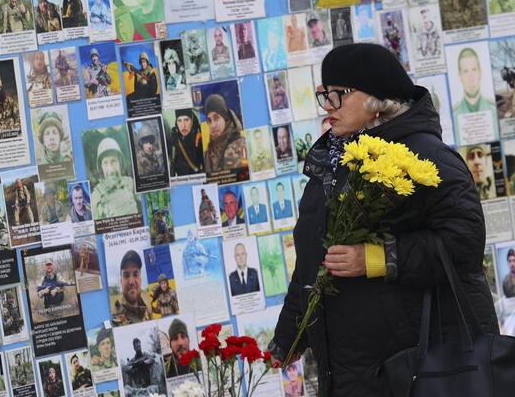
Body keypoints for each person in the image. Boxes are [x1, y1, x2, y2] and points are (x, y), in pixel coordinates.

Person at [269, 43, 498, 396]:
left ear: (376, 98)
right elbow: (314, 259)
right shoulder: (332, 162)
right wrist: (289, 336)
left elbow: (463, 244)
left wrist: (374, 259)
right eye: (323, 96)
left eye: (338, 95)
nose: (328, 107)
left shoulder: (428, 156)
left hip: (419, 367)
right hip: (351, 369)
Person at [452, 47, 498, 140]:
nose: (471, 78)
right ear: (460, 76)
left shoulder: (495, 109)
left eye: (474, 69)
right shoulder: (454, 115)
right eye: (465, 71)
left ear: (480, 72)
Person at [91, 137, 140, 219]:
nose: (110, 170)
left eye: (113, 161)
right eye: (105, 163)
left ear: (120, 163)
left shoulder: (130, 183)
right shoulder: (96, 197)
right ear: (101, 168)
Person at [204, 94, 246, 174]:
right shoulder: (208, 152)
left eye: (216, 118)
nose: (213, 125)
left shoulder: (239, 145)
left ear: (225, 118)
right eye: (209, 121)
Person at [112, 250, 152, 325]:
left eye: (135, 274)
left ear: (140, 279)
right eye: (126, 275)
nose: (131, 282)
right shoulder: (113, 319)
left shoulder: (150, 313)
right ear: (121, 281)